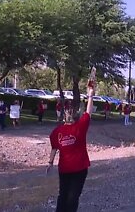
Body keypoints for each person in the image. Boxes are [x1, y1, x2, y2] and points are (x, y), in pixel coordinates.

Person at [46, 83, 95, 212]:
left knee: (64, 195)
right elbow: (88, 112)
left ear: (64, 117)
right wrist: (90, 95)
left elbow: (54, 148)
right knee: (71, 196)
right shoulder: (79, 127)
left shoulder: (60, 130)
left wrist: (50, 163)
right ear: (75, 117)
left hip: (67, 168)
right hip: (77, 168)